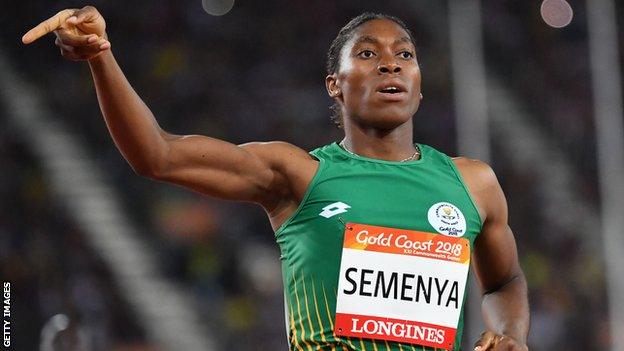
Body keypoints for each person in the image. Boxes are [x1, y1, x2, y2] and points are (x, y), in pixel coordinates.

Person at [22, 6, 529, 351]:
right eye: (368, 54)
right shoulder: (298, 174)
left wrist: (510, 337)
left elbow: (504, 280)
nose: (390, 62)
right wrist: (101, 58)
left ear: (418, 86)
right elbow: (159, 154)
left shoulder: (473, 183)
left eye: (405, 54)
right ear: (335, 85)